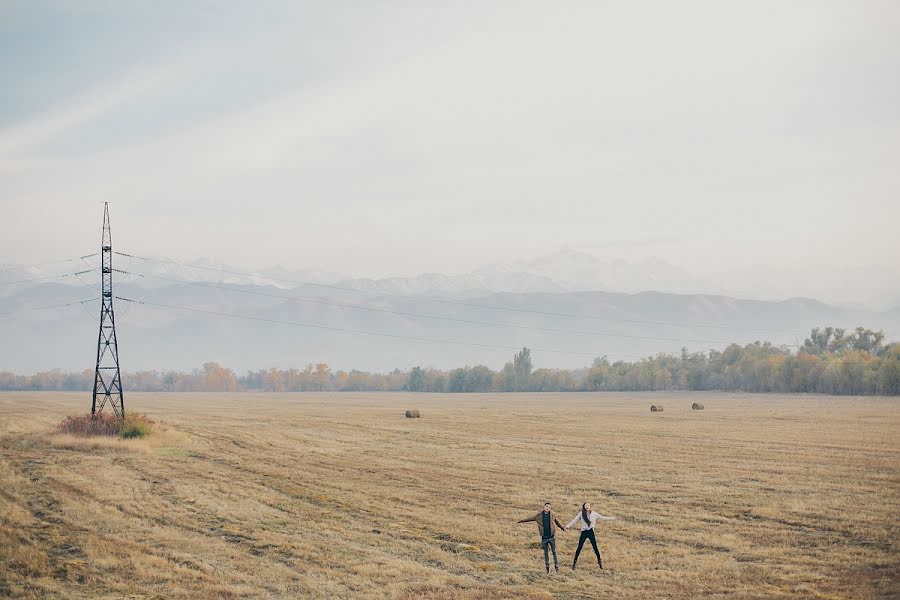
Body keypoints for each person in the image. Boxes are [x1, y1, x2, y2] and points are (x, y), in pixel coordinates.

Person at [517, 502, 567, 575]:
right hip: (544, 538)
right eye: (546, 506)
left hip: (551, 537)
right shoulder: (539, 515)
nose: (548, 508)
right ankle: (547, 570)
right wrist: (521, 521)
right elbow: (530, 519)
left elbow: (557, 522)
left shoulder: (552, 514)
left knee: (554, 552)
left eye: (549, 507)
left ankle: (556, 569)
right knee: (546, 553)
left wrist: (563, 528)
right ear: (544, 507)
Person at [565, 501, 616, 569]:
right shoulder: (581, 513)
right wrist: (568, 526)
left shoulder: (594, 514)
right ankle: (574, 562)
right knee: (579, 547)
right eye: (585, 505)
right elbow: (574, 520)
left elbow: (602, 517)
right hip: (584, 531)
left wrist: (612, 518)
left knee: (595, 547)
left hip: (590, 531)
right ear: (584, 506)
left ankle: (599, 561)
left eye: (588, 505)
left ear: (590, 506)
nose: (587, 506)